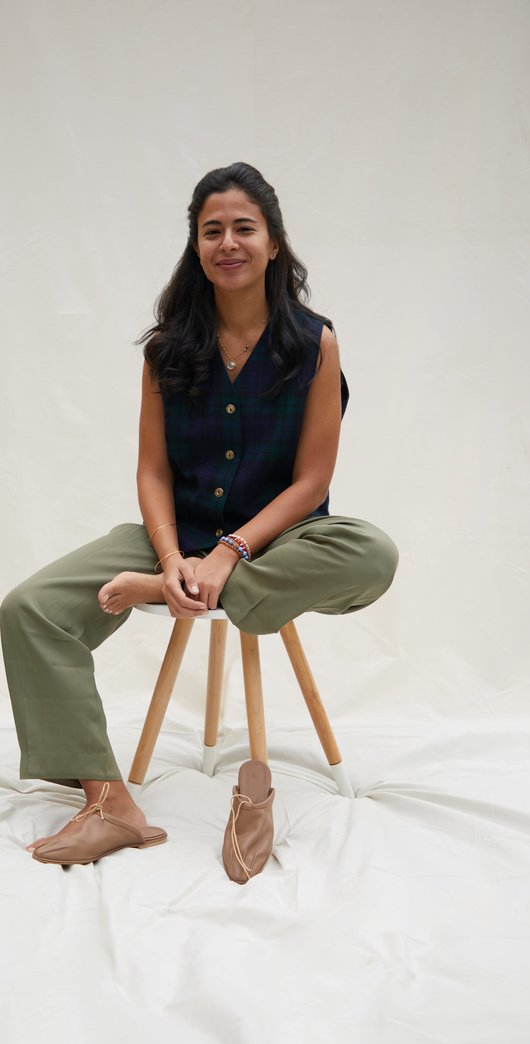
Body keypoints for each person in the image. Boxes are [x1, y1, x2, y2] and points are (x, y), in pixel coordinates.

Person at [0, 161, 398, 871]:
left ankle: (163, 591)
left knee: (373, 552)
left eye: (244, 227)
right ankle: (108, 802)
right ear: (196, 246)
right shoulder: (166, 349)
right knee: (29, 608)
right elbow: (152, 470)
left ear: (274, 242)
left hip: (280, 540)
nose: (228, 242)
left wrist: (227, 554)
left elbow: (312, 482)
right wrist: (170, 557)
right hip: (173, 537)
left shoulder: (314, 343)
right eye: (211, 230)